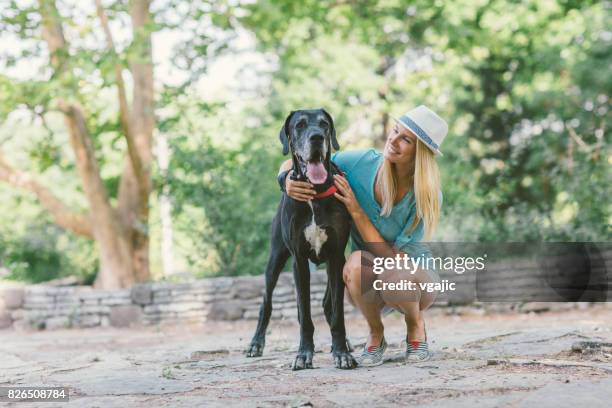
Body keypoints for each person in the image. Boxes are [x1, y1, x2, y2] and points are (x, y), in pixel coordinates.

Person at [278, 105, 447, 366]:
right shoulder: (362, 164)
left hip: (412, 277)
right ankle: (376, 333)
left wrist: (356, 211)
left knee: (396, 275)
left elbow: (393, 259)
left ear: (420, 153)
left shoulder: (425, 194)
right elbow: (306, 157)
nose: (393, 141)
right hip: (372, 274)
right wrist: (285, 179)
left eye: (406, 139)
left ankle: (415, 327)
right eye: (395, 131)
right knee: (353, 265)